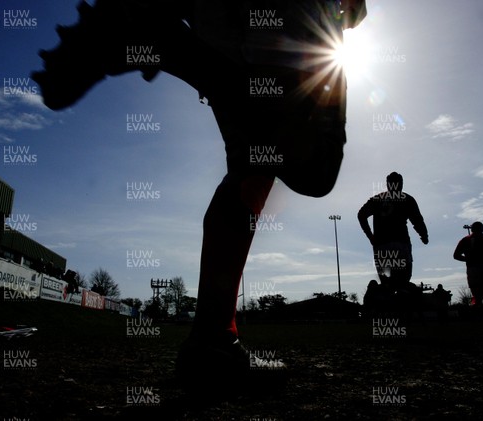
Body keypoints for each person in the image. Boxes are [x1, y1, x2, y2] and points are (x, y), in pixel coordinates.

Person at [32, 0, 368, 393]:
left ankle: (213, 340)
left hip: (218, 20)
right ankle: (170, 46)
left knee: (251, 168)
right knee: (315, 168)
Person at [357, 172, 429, 292]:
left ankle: (389, 305)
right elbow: (417, 220)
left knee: (387, 285)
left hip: (382, 246)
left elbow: (361, 215)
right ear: (401, 184)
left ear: (387, 184)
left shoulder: (377, 199)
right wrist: (424, 236)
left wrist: (371, 236)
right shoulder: (407, 199)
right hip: (400, 244)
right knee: (403, 282)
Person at [453, 221, 483, 307]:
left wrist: (468, 259)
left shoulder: (465, 240)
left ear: (472, 229)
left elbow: (456, 255)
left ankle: (479, 315)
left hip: (473, 270)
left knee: (477, 296)